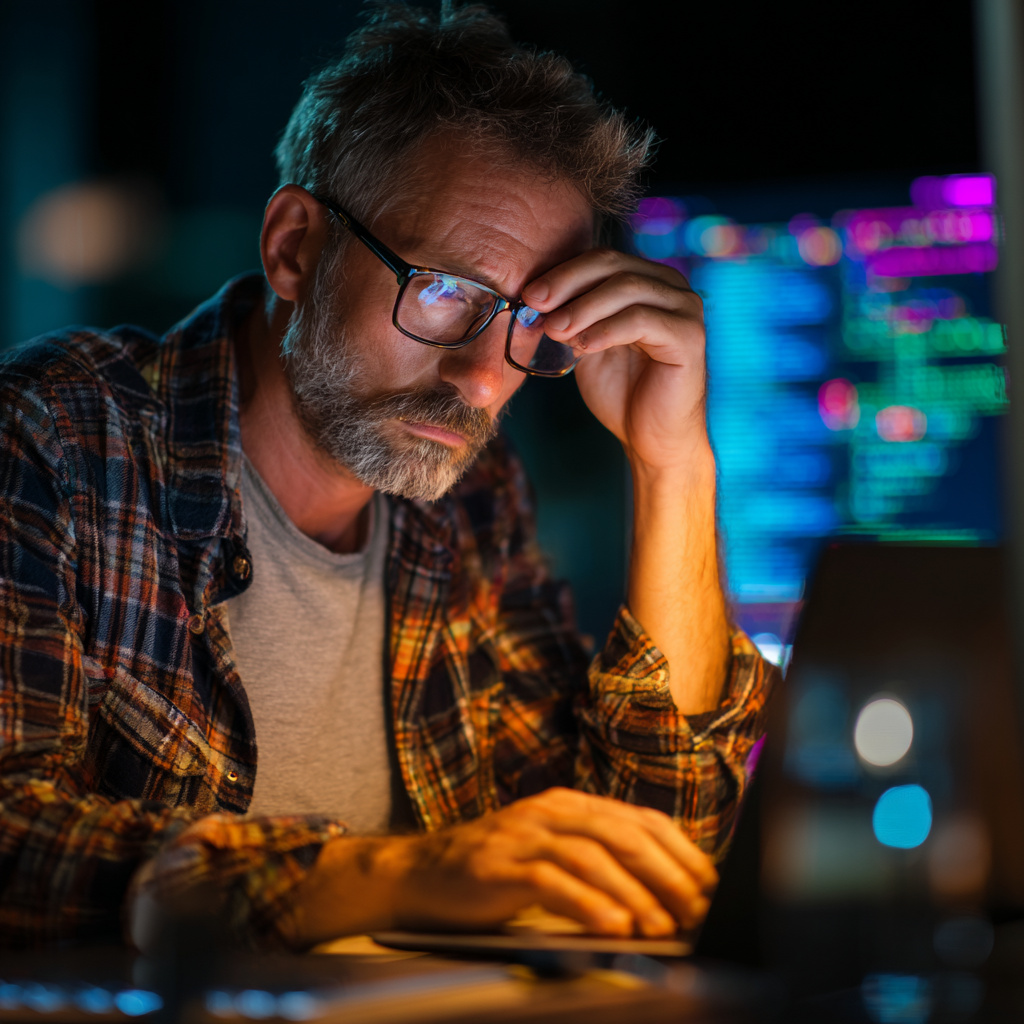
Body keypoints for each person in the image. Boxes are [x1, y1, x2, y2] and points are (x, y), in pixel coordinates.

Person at [0, 2, 775, 950]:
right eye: (447, 291)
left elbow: (652, 851)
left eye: (528, 325)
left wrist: (674, 464)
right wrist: (395, 875)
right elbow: (14, 842)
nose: (485, 380)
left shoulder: (469, 502)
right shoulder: (52, 441)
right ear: (294, 247)